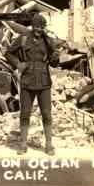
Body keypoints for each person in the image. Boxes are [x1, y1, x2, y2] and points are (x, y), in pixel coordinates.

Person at [5, 13, 59, 155]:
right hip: (27, 81)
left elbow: (54, 63)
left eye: (41, 27)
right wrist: (18, 64)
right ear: (32, 26)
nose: (38, 30)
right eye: (36, 26)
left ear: (44, 28)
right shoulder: (23, 39)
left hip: (44, 82)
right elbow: (8, 53)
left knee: (46, 114)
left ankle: (48, 145)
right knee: (25, 114)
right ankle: (23, 144)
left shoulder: (48, 41)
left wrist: (55, 57)